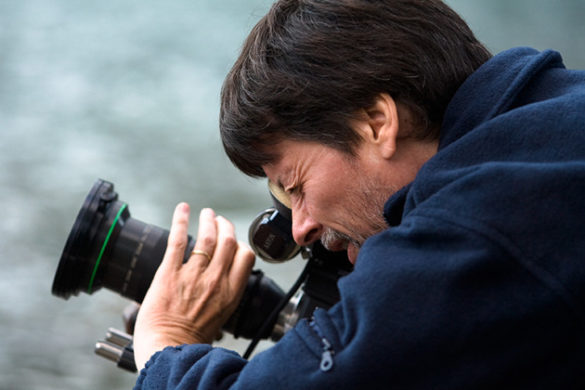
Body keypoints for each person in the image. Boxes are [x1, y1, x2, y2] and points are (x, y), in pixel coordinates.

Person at [133, 0, 585, 388]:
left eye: (296, 186)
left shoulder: (476, 226)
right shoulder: (554, 112)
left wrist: (166, 340)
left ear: (376, 122)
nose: (301, 227)